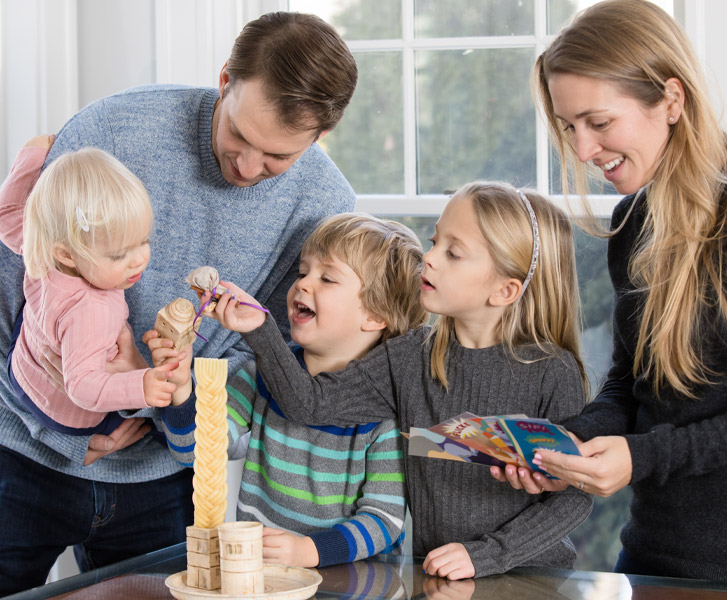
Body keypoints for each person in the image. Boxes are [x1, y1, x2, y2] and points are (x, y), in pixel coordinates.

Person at [0, 11, 357, 594]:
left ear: (318, 136)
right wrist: (63, 428)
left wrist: (168, 403)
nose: (247, 167)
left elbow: (275, 359)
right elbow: (14, 278)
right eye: (239, 135)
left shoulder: (324, 205)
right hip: (26, 452)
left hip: (164, 477)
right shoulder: (113, 130)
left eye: (276, 158)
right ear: (225, 80)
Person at [493, 0, 727, 586]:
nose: (583, 150)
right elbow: (633, 382)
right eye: (569, 127)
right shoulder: (634, 221)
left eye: (599, 122)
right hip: (655, 554)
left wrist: (642, 457)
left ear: (671, 100)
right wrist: (570, 444)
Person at [201, 181, 594, 580]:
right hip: (439, 578)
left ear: (504, 290)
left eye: (453, 253)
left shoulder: (553, 373)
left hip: (532, 579)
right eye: (434, 242)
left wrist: (487, 555)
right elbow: (309, 405)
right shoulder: (409, 357)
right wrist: (260, 329)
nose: (430, 258)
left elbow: (575, 497)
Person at [151, 213, 427, 569]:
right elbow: (194, 452)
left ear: (375, 315)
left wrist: (310, 551)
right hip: (266, 576)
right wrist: (180, 387)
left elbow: (384, 520)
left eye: (326, 278)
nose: (302, 284)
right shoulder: (259, 376)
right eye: (302, 272)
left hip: (351, 582)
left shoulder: (386, 411)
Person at [0, 138, 181, 436]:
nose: (140, 260)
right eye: (119, 255)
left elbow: (6, 212)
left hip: (21, 368)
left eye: (144, 240)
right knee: (150, 430)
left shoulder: (42, 247)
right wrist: (140, 386)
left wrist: (32, 153)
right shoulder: (91, 311)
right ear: (67, 255)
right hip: (64, 412)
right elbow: (82, 386)